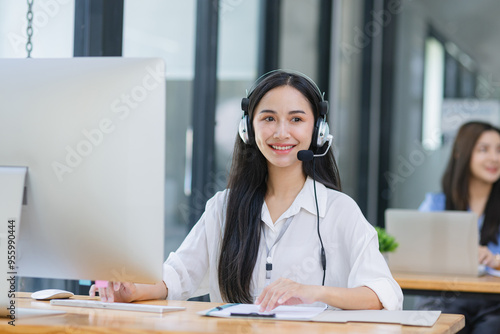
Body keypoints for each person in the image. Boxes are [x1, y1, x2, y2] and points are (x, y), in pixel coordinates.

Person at [91, 70, 403, 311]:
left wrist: (314, 292)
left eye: (296, 119)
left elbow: (383, 294)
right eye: (268, 118)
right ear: (248, 128)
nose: (281, 132)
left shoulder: (339, 211)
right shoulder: (224, 207)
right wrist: (131, 291)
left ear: (317, 131)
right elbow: (178, 276)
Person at [417, 121, 500, 333]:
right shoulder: (436, 205)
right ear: (461, 154)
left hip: (494, 304)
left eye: (499, 150)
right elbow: (415, 254)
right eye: (484, 149)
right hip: (443, 299)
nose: (494, 158)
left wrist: (495, 260)